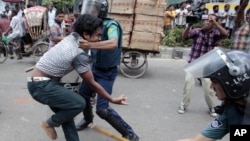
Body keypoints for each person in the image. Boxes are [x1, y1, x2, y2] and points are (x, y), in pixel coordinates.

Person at [27, 14, 128, 141]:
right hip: (41, 85)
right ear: (86, 34)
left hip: (41, 82)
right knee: (79, 103)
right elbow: (91, 83)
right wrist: (111, 99)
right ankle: (49, 123)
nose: (99, 38)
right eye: (97, 35)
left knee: (68, 115)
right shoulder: (79, 54)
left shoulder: (73, 37)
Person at [75, 0, 139, 141]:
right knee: (83, 96)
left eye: (94, 9)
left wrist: (90, 44)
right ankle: (87, 119)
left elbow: (113, 43)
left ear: (101, 10)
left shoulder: (111, 25)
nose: (90, 12)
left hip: (107, 72)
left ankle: (129, 133)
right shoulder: (91, 25)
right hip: (95, 68)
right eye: (88, 9)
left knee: (102, 109)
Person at [176, 47, 250, 141]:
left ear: (233, 82)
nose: (211, 87)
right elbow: (199, 140)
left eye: (214, 81)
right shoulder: (231, 107)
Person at [177, 15, 228, 117]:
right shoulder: (197, 31)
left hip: (206, 65)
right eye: (205, 21)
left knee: (208, 88)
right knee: (188, 84)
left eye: (209, 21)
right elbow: (184, 37)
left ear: (213, 24)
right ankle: (183, 105)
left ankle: (211, 107)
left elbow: (225, 34)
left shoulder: (215, 34)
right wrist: (189, 26)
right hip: (194, 63)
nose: (206, 23)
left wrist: (215, 22)